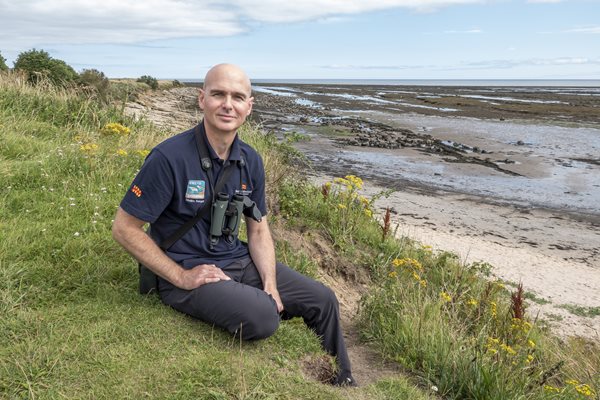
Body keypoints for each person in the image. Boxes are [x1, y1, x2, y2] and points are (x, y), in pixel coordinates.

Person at [112, 63, 356, 386]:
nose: (228, 104)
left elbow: (258, 229)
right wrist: (181, 277)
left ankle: (341, 381)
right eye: (218, 94)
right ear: (202, 99)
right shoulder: (169, 157)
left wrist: (269, 281)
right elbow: (124, 228)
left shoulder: (251, 160)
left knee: (323, 299)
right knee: (264, 316)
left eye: (238, 97)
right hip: (187, 269)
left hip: (235, 259)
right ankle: (240, 299)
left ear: (249, 107)